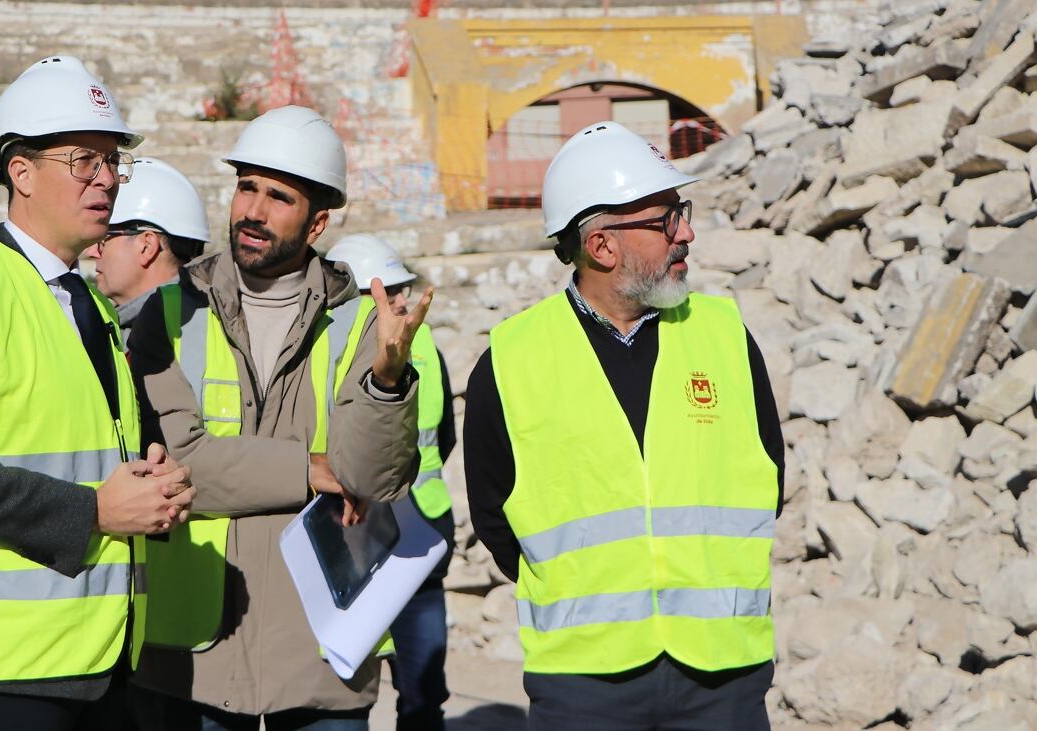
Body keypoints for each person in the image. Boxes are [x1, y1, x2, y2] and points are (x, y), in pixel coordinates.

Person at [0, 55, 194, 731]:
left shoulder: (95, 306)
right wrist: (93, 512)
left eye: (114, 162)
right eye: (84, 159)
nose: (107, 178)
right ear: (20, 171)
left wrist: (154, 480)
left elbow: (82, 449)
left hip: (93, 663)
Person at [463, 121, 786, 731]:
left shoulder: (724, 336)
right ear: (602, 246)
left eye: (681, 212)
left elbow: (768, 478)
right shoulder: (512, 359)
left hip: (724, 676)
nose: (686, 232)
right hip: (584, 686)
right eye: (665, 219)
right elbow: (495, 519)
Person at [125, 105, 432, 730]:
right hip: (192, 655)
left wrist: (387, 379)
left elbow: (372, 480)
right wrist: (310, 469)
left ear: (318, 221)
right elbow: (180, 468)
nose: (253, 212)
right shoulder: (167, 315)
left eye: (278, 197)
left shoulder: (358, 324)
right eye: (246, 188)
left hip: (323, 650)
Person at [325, 234, 456, 731]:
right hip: (362, 531)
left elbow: (442, 438)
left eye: (400, 289)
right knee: (343, 693)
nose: (398, 301)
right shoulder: (329, 351)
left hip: (415, 530)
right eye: (384, 291)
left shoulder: (420, 346)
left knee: (419, 691)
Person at [85, 156, 211, 343]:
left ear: (147, 246)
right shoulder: (201, 321)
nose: (91, 252)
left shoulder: (165, 337)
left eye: (103, 239)